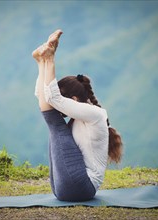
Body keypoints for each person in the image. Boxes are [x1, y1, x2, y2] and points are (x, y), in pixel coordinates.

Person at [32, 29, 122, 202]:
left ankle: (44, 59)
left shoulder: (95, 114)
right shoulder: (80, 117)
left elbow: (51, 98)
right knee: (53, 123)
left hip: (81, 187)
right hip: (64, 187)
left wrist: (50, 59)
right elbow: (43, 97)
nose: (58, 108)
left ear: (74, 99)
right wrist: (41, 63)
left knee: (55, 124)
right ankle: (42, 60)